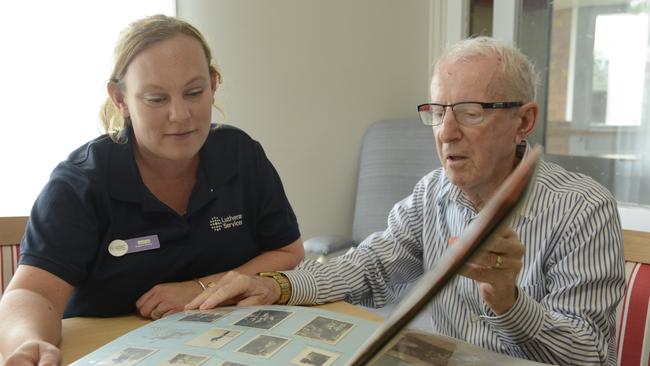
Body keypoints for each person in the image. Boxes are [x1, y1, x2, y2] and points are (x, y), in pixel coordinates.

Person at [185, 36, 626, 365]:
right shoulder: (433, 193)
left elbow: (590, 356)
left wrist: (509, 301)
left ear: (523, 120)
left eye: (470, 112)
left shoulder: (583, 209)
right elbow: (366, 268)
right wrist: (275, 285)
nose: (446, 132)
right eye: (437, 112)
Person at [0, 14, 303, 365]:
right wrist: (29, 342)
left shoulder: (240, 155)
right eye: (156, 99)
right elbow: (31, 292)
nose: (180, 114)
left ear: (214, 85)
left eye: (194, 92)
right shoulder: (80, 184)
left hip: (231, 346)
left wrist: (201, 289)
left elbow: (288, 251)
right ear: (121, 99)